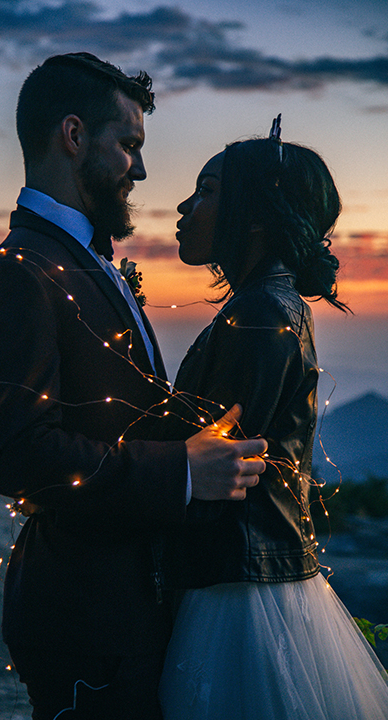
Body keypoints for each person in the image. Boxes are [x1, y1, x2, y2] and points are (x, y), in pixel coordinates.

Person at [0, 53, 267, 720]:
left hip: (125, 609)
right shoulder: (22, 272)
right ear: (73, 136)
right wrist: (181, 473)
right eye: (129, 144)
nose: (142, 167)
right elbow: (18, 455)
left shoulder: (80, 260)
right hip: (85, 622)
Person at [158, 122, 388, 719]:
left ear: (255, 218)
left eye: (207, 190)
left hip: (238, 589)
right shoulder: (268, 304)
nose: (185, 206)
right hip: (258, 570)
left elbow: (216, 466)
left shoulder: (260, 312)